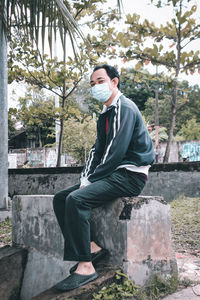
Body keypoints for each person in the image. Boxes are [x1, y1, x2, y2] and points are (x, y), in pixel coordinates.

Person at [53, 64, 155, 291]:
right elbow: (96, 151)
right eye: (92, 84)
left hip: (130, 175)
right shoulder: (106, 114)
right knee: (61, 198)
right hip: (113, 174)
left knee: (77, 200)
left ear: (114, 82)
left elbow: (114, 152)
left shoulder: (124, 109)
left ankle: (86, 266)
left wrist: (92, 180)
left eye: (100, 81)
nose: (96, 86)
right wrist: (85, 179)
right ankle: (90, 247)